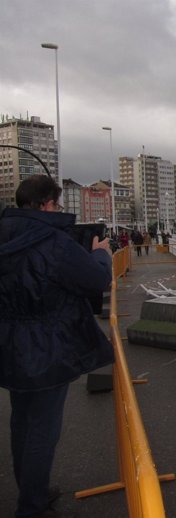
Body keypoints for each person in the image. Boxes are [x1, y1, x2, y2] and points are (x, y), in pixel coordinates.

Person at [0, 174, 114, 518]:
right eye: (58, 203)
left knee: (21, 420)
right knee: (42, 428)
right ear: (48, 203)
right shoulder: (52, 240)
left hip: (9, 343)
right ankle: (32, 506)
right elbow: (94, 280)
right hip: (48, 346)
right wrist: (101, 256)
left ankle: (31, 490)